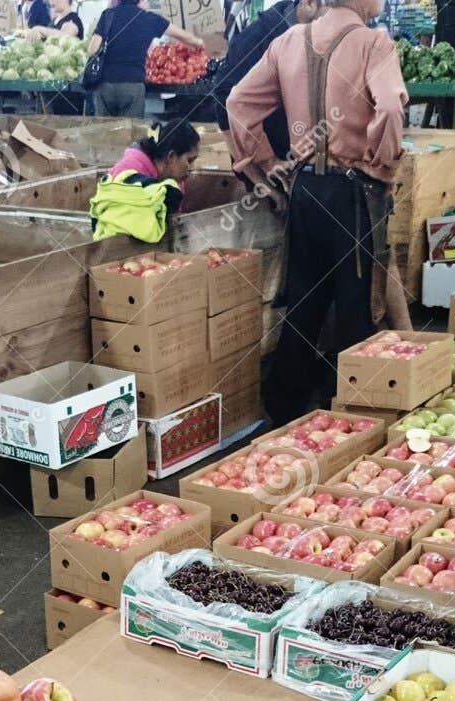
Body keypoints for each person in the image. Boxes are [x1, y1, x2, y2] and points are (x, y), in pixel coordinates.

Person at [226, 0, 409, 422]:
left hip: (305, 189)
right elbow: (391, 108)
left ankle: (285, 411)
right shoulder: (372, 43)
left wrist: (268, 165)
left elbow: (238, 103)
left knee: (305, 302)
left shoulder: (288, 41)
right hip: (354, 194)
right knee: (356, 307)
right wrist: (382, 164)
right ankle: (351, 413)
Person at [212, 0, 319, 158]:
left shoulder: (319, 36)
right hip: (280, 163)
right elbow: (225, 97)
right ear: (309, 3)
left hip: (313, 162)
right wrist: (265, 164)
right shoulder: (261, 36)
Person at [86, 0, 204, 118]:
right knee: (131, 131)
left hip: (105, 84)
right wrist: (198, 42)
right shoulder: (149, 18)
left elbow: (92, 49)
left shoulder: (107, 15)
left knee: (103, 131)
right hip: (133, 84)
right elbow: (181, 35)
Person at [91, 121, 199, 240]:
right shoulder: (128, 171)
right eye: (189, 160)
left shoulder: (175, 181)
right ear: (171, 156)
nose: (192, 168)